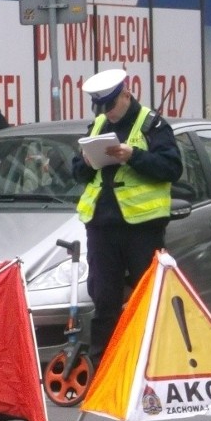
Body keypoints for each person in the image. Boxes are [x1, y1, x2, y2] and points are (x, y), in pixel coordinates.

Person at [71, 69, 183, 367]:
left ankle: (152, 365)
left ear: (126, 94)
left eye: (111, 105)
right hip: (101, 226)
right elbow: (76, 172)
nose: (107, 113)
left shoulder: (152, 124)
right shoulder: (97, 124)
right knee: (104, 300)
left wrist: (133, 155)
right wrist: (85, 162)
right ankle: (104, 369)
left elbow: (172, 168)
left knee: (147, 300)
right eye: (102, 108)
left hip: (142, 228)